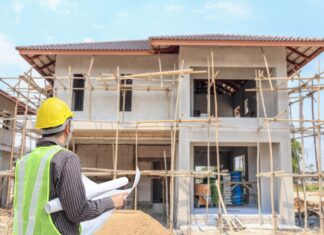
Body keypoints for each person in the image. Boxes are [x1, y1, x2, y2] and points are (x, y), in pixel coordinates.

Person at [13, 97, 127, 235]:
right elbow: (78, 212)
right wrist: (112, 202)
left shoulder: (23, 162)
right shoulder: (66, 158)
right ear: (68, 126)